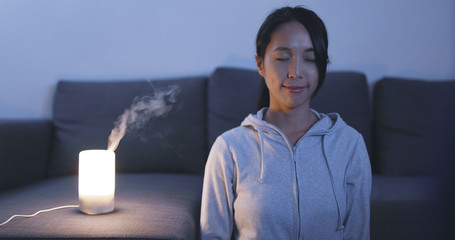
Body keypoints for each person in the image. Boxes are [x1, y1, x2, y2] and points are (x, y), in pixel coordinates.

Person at [200, 6, 371, 240]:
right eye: (282, 58)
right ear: (260, 64)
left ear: (321, 67)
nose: (295, 72)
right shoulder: (228, 148)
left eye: (310, 59)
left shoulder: (349, 145)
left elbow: (358, 234)